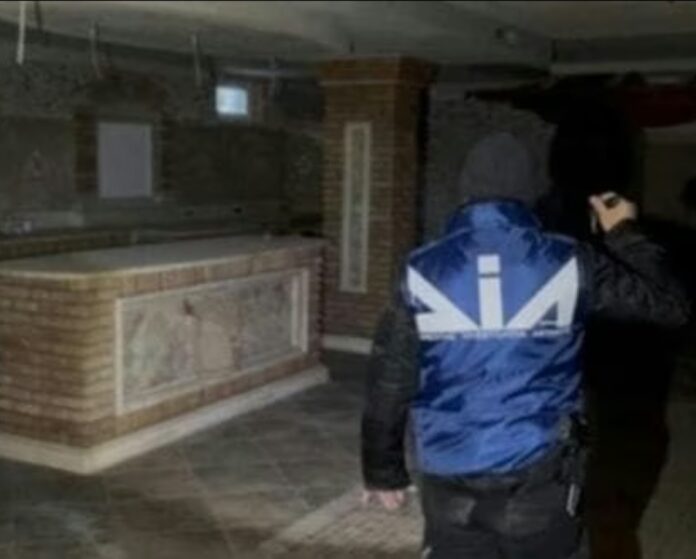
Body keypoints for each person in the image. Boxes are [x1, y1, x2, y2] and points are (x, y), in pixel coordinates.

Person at [360, 132, 690, 559]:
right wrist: (623, 230)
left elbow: (389, 380)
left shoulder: (422, 269)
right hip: (541, 476)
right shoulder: (568, 261)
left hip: (449, 475)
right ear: (532, 193)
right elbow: (669, 306)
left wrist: (382, 472)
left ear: (465, 192)